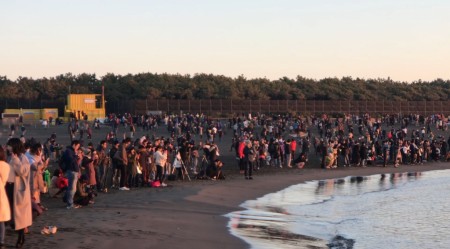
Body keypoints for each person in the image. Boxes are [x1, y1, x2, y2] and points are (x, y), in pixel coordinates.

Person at [7, 138, 32, 248]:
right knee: (12, 214)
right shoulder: (11, 157)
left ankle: (21, 238)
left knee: (20, 216)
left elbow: (23, 171)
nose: (8, 147)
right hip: (10, 187)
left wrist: (16, 160)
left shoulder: (23, 158)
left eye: (10, 145)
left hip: (19, 190)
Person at [25, 143, 49, 212]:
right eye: (39, 150)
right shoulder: (29, 155)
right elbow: (35, 167)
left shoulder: (38, 156)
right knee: (33, 191)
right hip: (32, 176)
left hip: (38, 175)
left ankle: (38, 205)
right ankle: (34, 206)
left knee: (37, 191)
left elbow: (40, 167)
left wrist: (44, 164)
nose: (40, 152)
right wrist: (44, 164)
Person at [61, 140, 82, 209]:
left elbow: (75, 162)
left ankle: (69, 201)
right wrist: (76, 155)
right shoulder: (69, 151)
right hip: (71, 171)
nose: (78, 147)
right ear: (74, 145)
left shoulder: (71, 151)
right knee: (72, 188)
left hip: (74, 171)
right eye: (77, 146)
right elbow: (70, 160)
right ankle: (70, 204)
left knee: (73, 188)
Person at [0, 146, 11, 249]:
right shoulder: (6, 165)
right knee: (1, 220)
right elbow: (4, 181)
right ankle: (1, 240)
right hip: (2, 192)